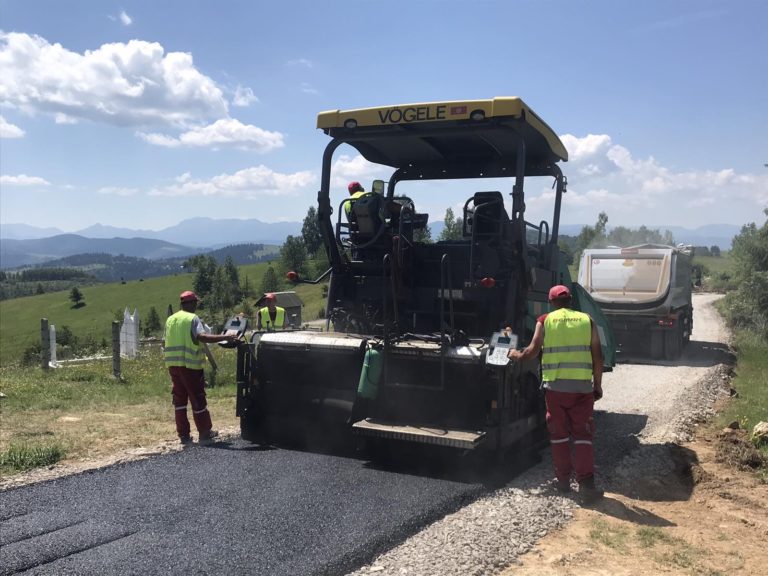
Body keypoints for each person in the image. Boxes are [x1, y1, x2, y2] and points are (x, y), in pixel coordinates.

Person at [507, 284, 605, 503]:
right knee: (583, 436)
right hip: (582, 389)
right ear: (571, 301)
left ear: (551, 302)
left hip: (555, 389)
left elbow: (532, 351)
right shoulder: (587, 320)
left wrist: (516, 355)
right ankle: (587, 486)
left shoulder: (545, 320)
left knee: (559, 436)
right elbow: (598, 356)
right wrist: (597, 384)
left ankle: (562, 482)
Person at [163, 290, 238, 445]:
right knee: (197, 398)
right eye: (195, 303)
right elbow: (201, 337)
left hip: (173, 366)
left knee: (180, 401)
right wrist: (225, 337)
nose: (196, 306)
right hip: (190, 366)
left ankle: (184, 435)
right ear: (190, 303)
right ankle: (204, 432)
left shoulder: (170, 319)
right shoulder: (192, 318)